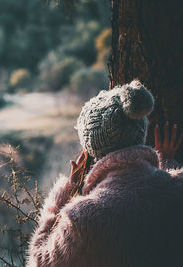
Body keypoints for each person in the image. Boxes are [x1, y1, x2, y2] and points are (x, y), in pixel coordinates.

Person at [27, 80, 183, 267]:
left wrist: (66, 192)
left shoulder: (81, 219)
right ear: (140, 130)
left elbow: (39, 262)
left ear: (89, 150)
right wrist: (166, 164)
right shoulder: (178, 189)